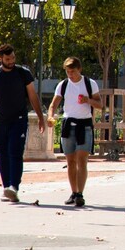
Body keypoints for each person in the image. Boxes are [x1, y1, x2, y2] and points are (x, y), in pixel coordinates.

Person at [0, 44, 46, 203]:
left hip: (18, 120)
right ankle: (6, 187)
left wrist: (41, 117)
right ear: (0, 58)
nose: (11, 61)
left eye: (13, 58)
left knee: (15, 152)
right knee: (2, 154)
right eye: (8, 59)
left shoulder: (23, 73)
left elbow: (33, 96)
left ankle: (14, 187)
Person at [47, 57, 101, 208]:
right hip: (68, 124)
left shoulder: (90, 84)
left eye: (73, 71)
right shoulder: (63, 85)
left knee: (82, 160)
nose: (70, 74)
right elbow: (54, 104)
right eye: (68, 72)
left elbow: (100, 105)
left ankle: (80, 194)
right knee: (70, 161)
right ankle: (73, 192)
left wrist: (88, 100)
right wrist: (51, 116)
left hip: (84, 125)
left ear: (80, 69)